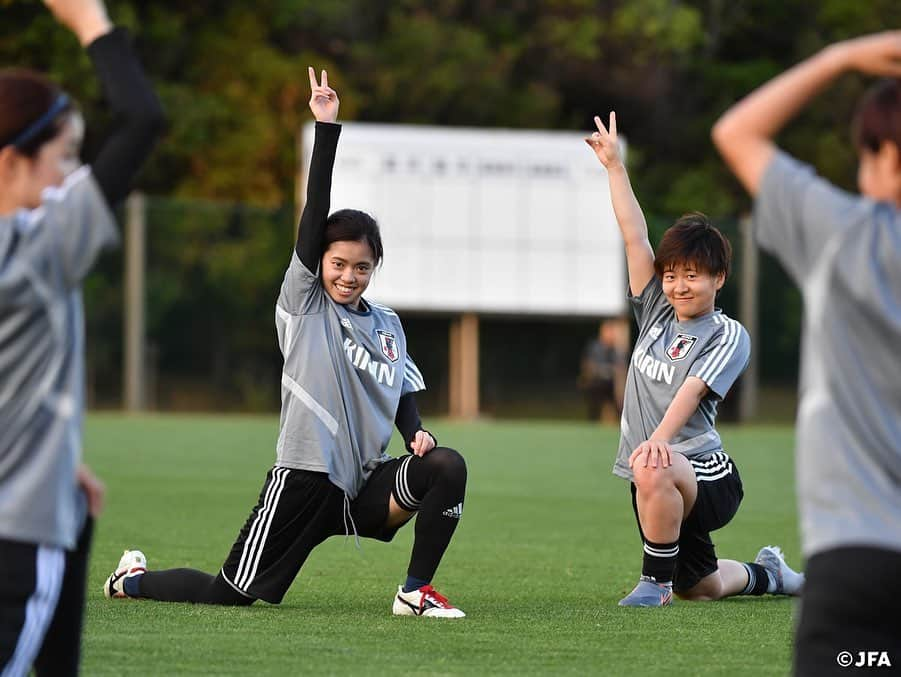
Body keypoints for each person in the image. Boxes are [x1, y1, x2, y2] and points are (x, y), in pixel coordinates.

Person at [102, 68, 468, 618]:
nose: (348, 275)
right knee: (229, 596)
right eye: (338, 263)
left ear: (375, 268)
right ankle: (131, 580)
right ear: (318, 262)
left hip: (361, 488)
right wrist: (326, 128)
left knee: (447, 465)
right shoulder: (305, 303)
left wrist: (416, 433)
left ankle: (414, 591)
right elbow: (314, 209)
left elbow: (402, 394)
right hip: (303, 480)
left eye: (361, 267)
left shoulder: (388, 323)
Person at [712, 31, 901, 675]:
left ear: (888, 158)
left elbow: (737, 132)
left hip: (857, 557)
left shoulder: (844, 236)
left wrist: (838, 59)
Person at [0, 0, 165, 674]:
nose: (71, 177)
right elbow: (144, 120)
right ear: (12, 161)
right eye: (62, 157)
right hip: (17, 534)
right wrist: (87, 21)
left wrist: (52, 454)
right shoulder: (35, 252)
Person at [585, 113, 804, 607]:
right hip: (657, 471)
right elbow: (634, 238)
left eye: (694, 275)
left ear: (719, 278)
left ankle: (653, 585)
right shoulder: (657, 312)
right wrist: (615, 168)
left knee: (654, 477)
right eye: (672, 274)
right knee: (700, 588)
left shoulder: (728, 335)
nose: (679, 285)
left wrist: (657, 444)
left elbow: (693, 390)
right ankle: (770, 574)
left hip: (704, 474)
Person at [578, 319, 627, 422]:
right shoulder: (594, 347)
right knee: (594, 394)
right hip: (596, 382)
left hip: (611, 385)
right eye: (608, 331)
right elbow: (588, 366)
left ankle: (618, 420)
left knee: (619, 390)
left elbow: (620, 368)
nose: (610, 334)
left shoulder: (616, 350)